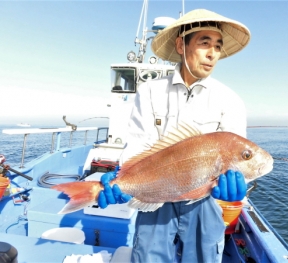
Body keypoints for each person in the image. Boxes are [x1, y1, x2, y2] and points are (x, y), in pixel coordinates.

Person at [98, 9, 251, 263]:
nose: (213, 54)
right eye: (204, 43)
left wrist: (237, 187)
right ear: (181, 45)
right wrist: (123, 178)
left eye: (218, 46)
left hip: (204, 201)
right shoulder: (149, 91)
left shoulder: (231, 101)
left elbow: (237, 157)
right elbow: (138, 143)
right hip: (156, 197)